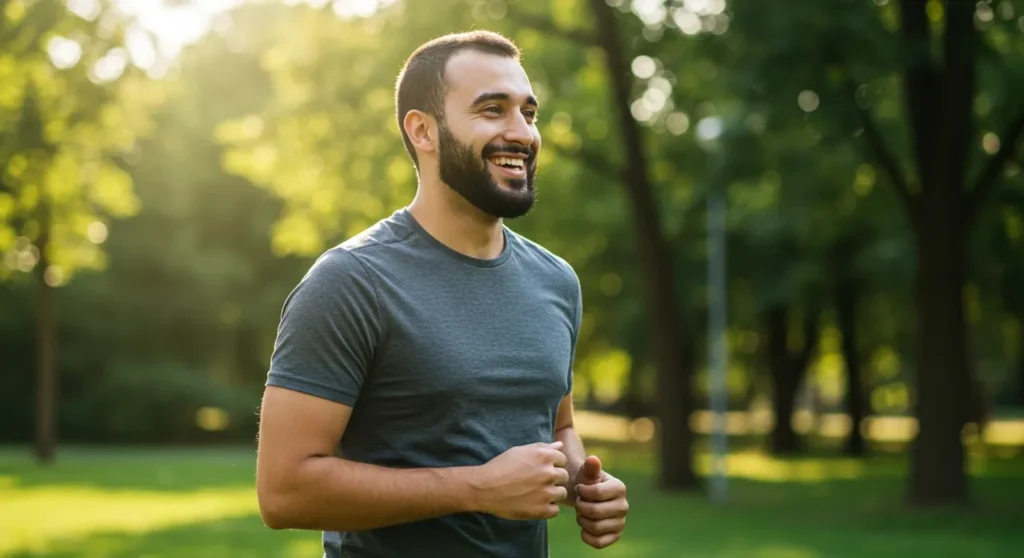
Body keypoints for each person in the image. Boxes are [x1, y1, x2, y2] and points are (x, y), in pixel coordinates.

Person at [255, 30, 629, 557]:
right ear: (423, 131)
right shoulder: (351, 281)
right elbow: (283, 491)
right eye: (492, 110)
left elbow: (558, 426)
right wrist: (478, 488)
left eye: (529, 112)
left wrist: (584, 487)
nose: (522, 132)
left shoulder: (556, 280)